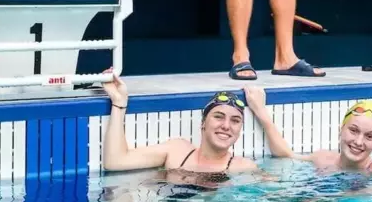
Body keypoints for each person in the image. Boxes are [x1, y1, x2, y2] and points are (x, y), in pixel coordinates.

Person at [100, 74, 258, 177]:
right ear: (203, 123)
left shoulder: (242, 167)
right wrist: (119, 103)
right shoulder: (177, 151)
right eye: (218, 117)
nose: (226, 126)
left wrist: (261, 113)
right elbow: (115, 161)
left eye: (235, 121)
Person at [253, 97, 372, 173]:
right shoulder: (323, 158)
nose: (358, 142)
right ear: (340, 130)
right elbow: (287, 155)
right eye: (353, 130)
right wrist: (260, 110)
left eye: (369, 136)